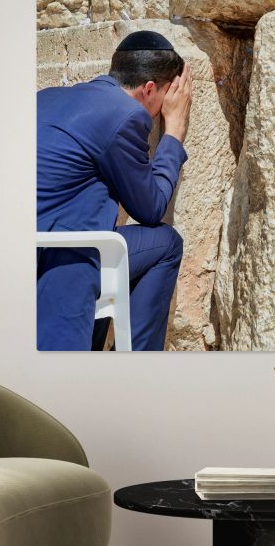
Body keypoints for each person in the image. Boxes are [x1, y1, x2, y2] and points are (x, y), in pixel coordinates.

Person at [36, 30, 194, 351]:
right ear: (149, 89)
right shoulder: (126, 114)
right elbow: (150, 208)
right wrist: (174, 133)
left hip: (26, 246)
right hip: (63, 259)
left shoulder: (44, 97)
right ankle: (134, 365)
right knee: (166, 244)